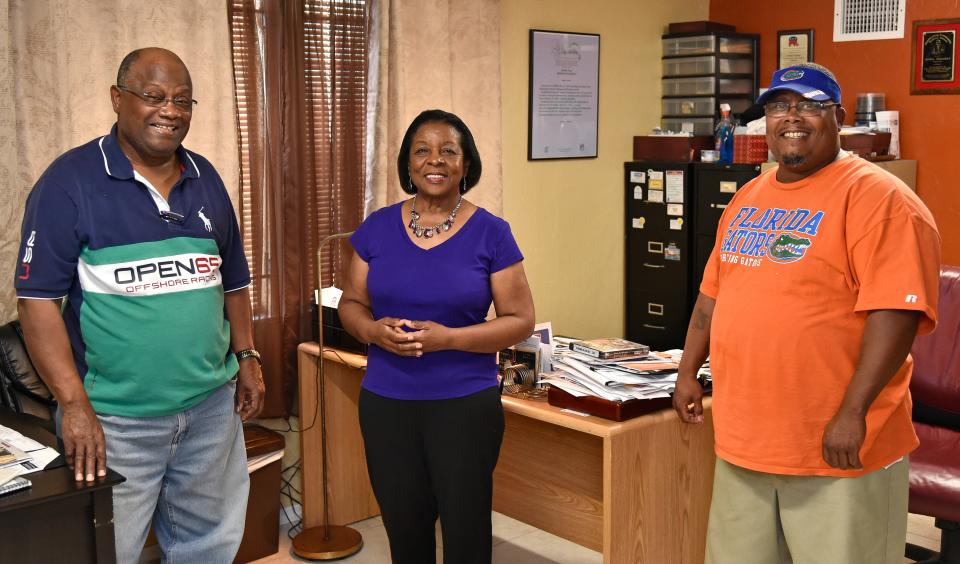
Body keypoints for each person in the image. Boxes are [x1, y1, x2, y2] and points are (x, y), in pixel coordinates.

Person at [673, 63, 941, 564]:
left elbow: (895, 315)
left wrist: (852, 413)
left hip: (836, 443)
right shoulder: (749, 197)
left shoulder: (881, 199)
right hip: (745, 439)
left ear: (838, 117)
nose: (791, 118)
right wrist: (688, 369)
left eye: (810, 105)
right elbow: (713, 297)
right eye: (779, 106)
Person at [14, 47, 264, 563]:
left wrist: (248, 357)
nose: (169, 111)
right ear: (117, 98)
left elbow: (233, 282)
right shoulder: (69, 184)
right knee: (107, 551)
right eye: (153, 96)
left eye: (181, 100)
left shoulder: (207, 178)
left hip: (210, 414)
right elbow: (36, 302)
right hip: (114, 424)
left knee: (210, 546)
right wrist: (74, 406)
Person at [338, 109, 535, 564]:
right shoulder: (378, 228)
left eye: (449, 151)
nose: (435, 160)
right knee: (405, 533)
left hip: (464, 406)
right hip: (387, 403)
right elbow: (351, 304)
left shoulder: (492, 233)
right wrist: (372, 331)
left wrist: (449, 339)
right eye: (422, 151)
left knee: (466, 535)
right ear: (408, 164)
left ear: (467, 166)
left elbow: (520, 319)